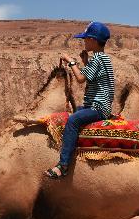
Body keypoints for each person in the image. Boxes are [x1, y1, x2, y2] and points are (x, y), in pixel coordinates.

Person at [45, 22, 115, 178]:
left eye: (85, 39)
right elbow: (93, 76)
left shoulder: (98, 59)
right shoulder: (103, 58)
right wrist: (85, 62)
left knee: (73, 121)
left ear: (93, 40)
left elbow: (81, 78)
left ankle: (63, 166)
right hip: (100, 105)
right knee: (76, 113)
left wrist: (71, 62)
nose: (84, 42)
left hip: (98, 107)